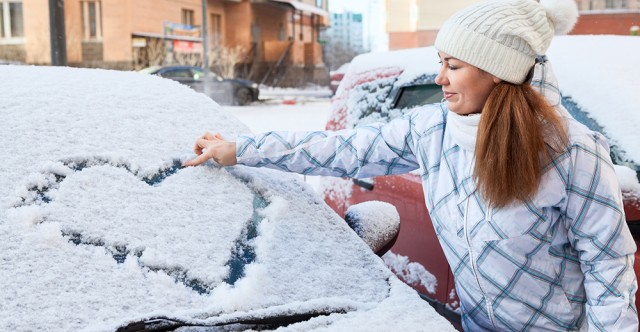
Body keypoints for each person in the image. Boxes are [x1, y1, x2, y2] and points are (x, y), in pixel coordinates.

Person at [184, 0, 638, 330]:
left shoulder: (572, 151)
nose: (439, 78)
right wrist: (243, 149)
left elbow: (608, 267)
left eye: (453, 66)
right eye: (440, 63)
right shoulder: (432, 130)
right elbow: (342, 149)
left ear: (497, 70)